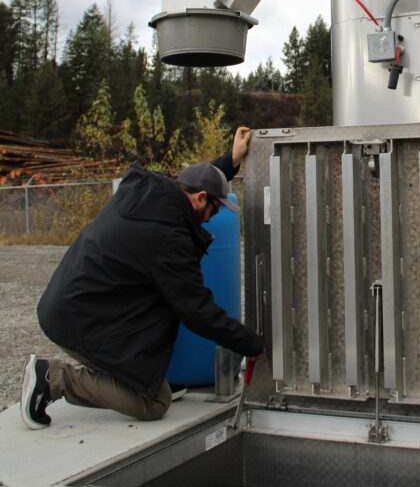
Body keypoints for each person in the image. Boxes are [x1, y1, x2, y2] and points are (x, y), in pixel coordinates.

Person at [21, 127, 264, 429]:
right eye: (214, 210)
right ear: (200, 199)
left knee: (156, 318)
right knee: (153, 403)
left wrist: (229, 160)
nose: (212, 218)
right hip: (81, 323)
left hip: (76, 303)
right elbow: (197, 312)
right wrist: (254, 345)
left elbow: (196, 179)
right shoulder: (167, 238)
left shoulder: (151, 192)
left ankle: (142, 379)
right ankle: (55, 378)